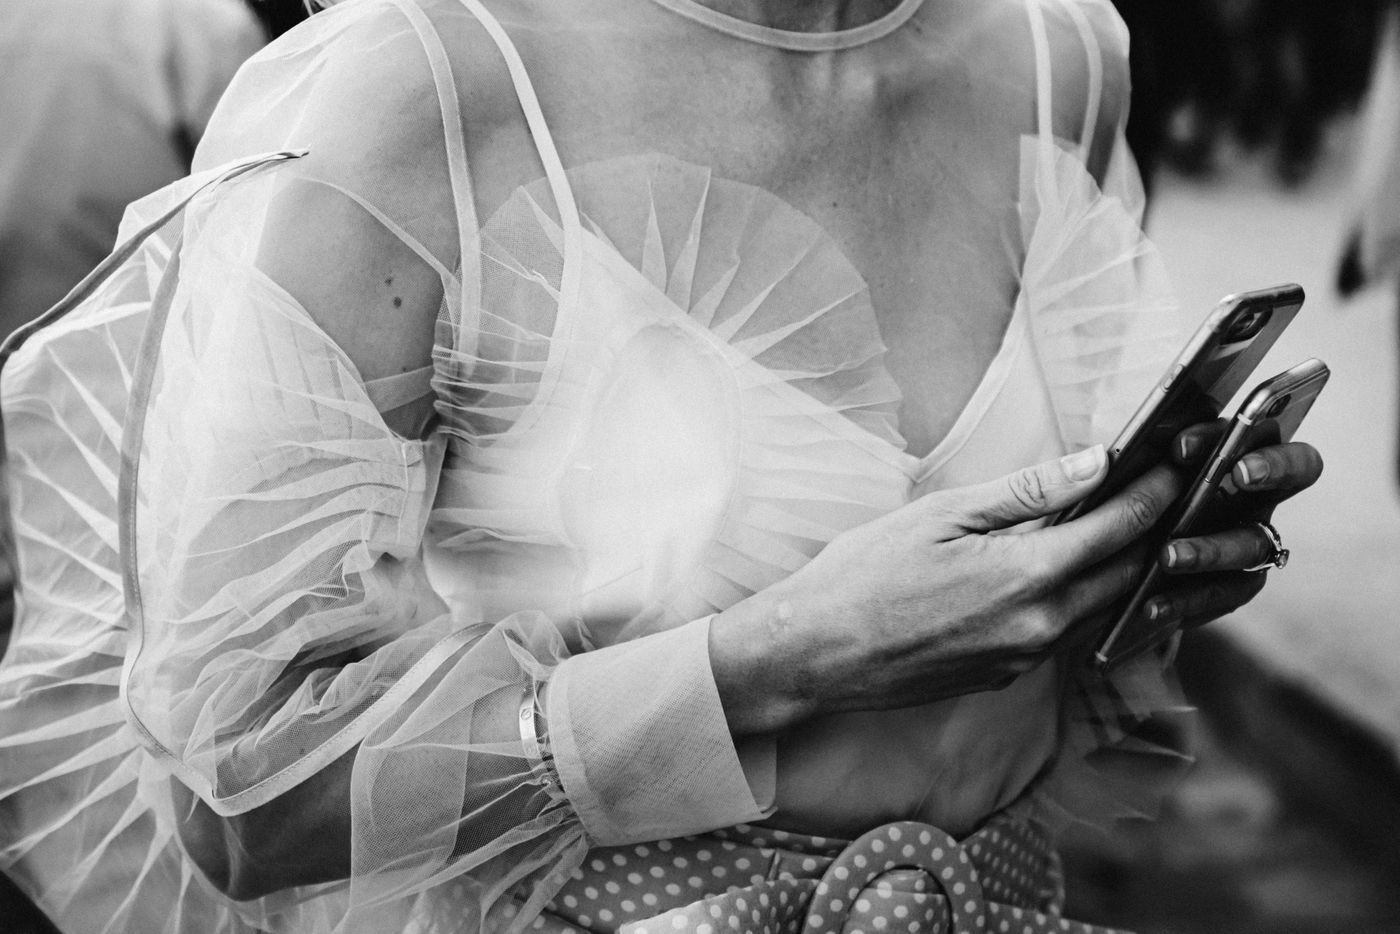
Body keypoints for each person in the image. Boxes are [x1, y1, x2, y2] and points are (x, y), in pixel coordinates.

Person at [0, 0, 1322, 932]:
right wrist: (780, 655)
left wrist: (1131, 554)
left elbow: (1032, 614)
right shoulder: (435, 88)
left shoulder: (1058, 51)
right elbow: (236, 800)